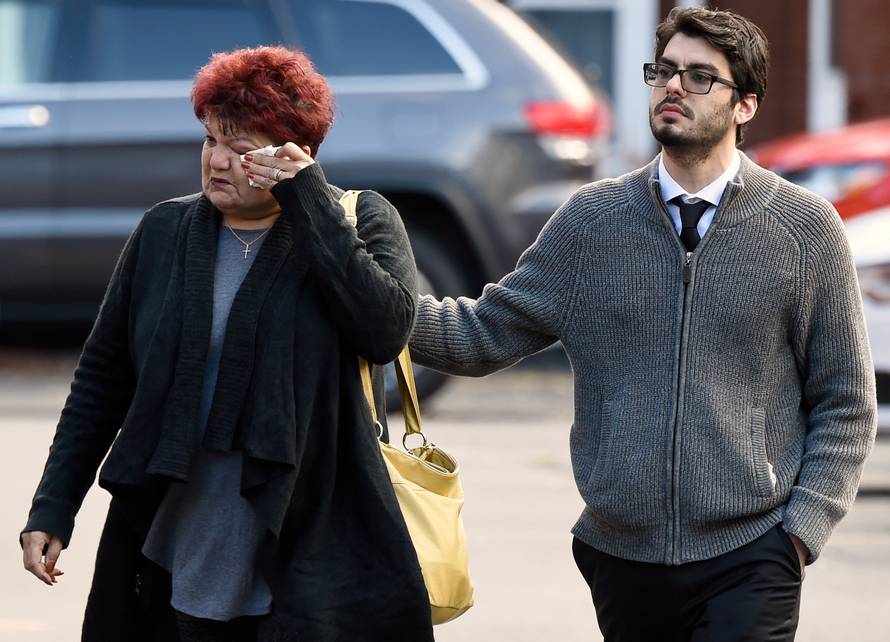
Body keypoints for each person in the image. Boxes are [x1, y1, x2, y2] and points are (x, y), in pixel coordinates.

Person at [408, 7, 876, 641]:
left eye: (700, 76)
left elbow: (846, 400)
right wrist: (365, 296)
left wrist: (801, 532)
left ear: (745, 105)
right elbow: (483, 334)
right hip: (622, 558)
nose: (674, 86)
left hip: (751, 553)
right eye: (664, 71)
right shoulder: (592, 221)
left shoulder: (804, 229)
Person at [21, 46, 433, 642]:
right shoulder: (164, 230)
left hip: (310, 544)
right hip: (175, 539)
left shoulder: (359, 219)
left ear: (296, 154)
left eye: (240, 149)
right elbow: (102, 380)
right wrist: (54, 506)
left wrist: (308, 199)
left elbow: (385, 330)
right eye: (210, 139)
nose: (217, 161)